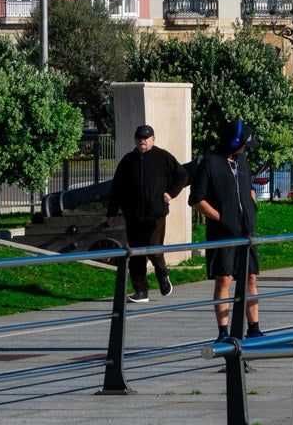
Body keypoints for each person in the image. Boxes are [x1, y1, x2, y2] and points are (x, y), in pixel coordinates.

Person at [188, 119, 261, 341]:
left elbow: (249, 189)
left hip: (246, 233)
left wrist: (252, 208)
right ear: (234, 142)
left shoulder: (242, 161)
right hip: (224, 234)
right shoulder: (210, 163)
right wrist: (221, 217)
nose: (247, 149)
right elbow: (196, 199)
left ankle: (254, 328)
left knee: (251, 278)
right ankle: (223, 332)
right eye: (244, 144)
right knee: (225, 280)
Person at [106, 124, 189, 303]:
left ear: (153, 139)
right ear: (135, 140)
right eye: (139, 138)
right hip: (134, 215)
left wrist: (171, 192)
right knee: (135, 253)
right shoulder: (128, 161)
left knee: (154, 248)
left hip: (156, 213)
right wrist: (111, 212)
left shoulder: (163, 157)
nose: (142, 141)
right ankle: (141, 291)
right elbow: (117, 188)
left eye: (146, 138)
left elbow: (182, 174)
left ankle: (162, 275)